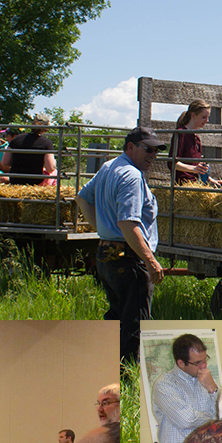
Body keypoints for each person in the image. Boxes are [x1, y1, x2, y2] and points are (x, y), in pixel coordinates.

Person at [77, 126, 166, 357]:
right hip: (129, 258)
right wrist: (150, 261)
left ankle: (106, 367)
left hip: (107, 254)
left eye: (156, 151)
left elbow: (82, 198)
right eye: (148, 149)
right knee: (135, 324)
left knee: (116, 317)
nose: (153, 156)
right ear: (130, 147)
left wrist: (103, 230)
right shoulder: (131, 175)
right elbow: (128, 223)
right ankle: (128, 376)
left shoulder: (109, 166)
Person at [153, 333, 218, 443]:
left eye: (205, 359)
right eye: (198, 363)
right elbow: (187, 420)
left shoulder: (206, 380)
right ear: (181, 363)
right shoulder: (165, 384)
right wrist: (213, 418)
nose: (204, 366)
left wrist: (213, 388)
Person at [172, 100, 222, 186]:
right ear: (193, 115)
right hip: (184, 183)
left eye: (208, 117)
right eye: (204, 117)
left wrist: (211, 180)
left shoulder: (196, 138)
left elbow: (196, 166)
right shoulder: (181, 134)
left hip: (196, 183)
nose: (207, 120)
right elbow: (172, 163)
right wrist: (194, 169)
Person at [0, 113, 57, 184]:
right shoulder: (46, 143)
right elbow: (50, 168)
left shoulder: (16, 139)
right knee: (54, 172)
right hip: (35, 182)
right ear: (46, 129)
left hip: (15, 181)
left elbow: (5, 163)